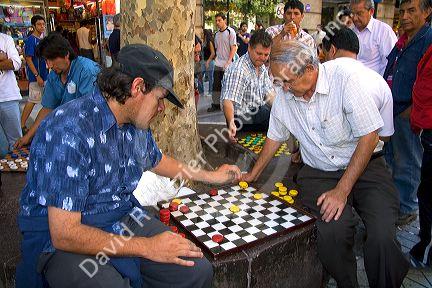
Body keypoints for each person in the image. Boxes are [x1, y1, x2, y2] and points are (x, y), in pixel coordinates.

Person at [16, 44, 242, 288]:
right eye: (160, 98)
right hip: (61, 237)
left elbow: (158, 161)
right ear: (137, 87)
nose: (162, 108)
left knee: (197, 271)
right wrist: (147, 247)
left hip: (120, 216)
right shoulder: (68, 130)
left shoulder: (137, 127)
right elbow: (65, 233)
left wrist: (212, 176)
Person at [242, 41, 409, 287]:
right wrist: (253, 174)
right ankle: (346, 283)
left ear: (309, 69)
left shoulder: (345, 79)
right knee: (332, 233)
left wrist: (342, 190)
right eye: (279, 82)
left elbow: (370, 135)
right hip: (319, 172)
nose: (284, 89)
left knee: (382, 235)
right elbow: (274, 138)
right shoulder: (285, 96)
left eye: (287, 81)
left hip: (365, 165)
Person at [383, 0, 432, 225]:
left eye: (411, 11)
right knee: (392, 158)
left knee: (408, 161)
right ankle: (397, 202)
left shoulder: (428, 40)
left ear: (427, 12)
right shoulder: (402, 40)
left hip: (409, 113)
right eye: (402, 11)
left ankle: (408, 207)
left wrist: (412, 110)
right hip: (392, 109)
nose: (404, 16)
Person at [15, 32, 100, 148]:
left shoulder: (87, 71)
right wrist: (28, 136)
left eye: (51, 59)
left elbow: (92, 111)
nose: (49, 65)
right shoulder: (53, 76)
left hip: (91, 134)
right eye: (46, 60)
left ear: (66, 55)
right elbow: (47, 109)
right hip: (69, 132)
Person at [322, 25, 394, 156]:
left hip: (326, 161)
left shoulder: (320, 75)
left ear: (332, 50)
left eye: (324, 53)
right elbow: (385, 136)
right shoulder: (379, 82)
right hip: (371, 162)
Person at [221, 30, 274, 142]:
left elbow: (269, 93)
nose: (263, 58)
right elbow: (228, 101)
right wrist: (231, 124)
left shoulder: (261, 66)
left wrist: (280, 111)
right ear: (249, 48)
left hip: (257, 111)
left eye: (266, 54)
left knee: (278, 115)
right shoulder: (239, 70)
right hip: (240, 119)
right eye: (259, 53)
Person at [350, 0, 397, 75]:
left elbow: (389, 63)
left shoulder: (383, 31)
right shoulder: (350, 31)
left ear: (371, 11)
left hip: (374, 84)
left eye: (359, 13)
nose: (355, 18)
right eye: (352, 14)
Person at [21, 15, 49, 133]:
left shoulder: (41, 40)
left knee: (43, 100)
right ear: (33, 26)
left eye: (43, 24)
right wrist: (37, 76)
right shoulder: (31, 40)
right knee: (33, 100)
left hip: (44, 75)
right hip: (36, 77)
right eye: (39, 24)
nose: (42, 27)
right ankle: (21, 125)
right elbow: (28, 59)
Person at [206, 13, 237, 112]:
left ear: (224, 20)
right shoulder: (216, 34)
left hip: (228, 65)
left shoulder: (230, 32)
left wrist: (228, 62)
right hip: (218, 64)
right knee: (216, 86)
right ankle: (216, 105)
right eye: (216, 21)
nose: (217, 22)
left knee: (228, 86)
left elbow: (234, 47)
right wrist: (213, 59)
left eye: (219, 20)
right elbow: (216, 49)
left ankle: (230, 106)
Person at [0, 31, 22, 154]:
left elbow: (15, 63)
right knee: (2, 148)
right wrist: (2, 57)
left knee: (16, 142)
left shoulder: (5, 39)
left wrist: (7, 60)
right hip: (8, 97)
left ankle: (19, 172)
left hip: (8, 96)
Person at [201, 29, 215, 98]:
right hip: (203, 61)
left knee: (210, 78)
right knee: (200, 77)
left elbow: (213, 53)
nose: (201, 34)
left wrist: (208, 62)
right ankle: (201, 92)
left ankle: (210, 92)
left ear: (205, 34)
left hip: (210, 62)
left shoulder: (209, 42)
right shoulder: (203, 42)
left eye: (202, 33)